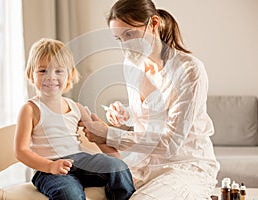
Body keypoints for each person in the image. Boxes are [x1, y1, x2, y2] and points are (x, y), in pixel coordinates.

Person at [80, 0, 220, 199]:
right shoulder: (132, 64)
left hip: (184, 166)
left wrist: (109, 134)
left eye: (130, 34)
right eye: (119, 39)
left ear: (153, 24)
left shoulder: (189, 70)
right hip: (143, 165)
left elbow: (171, 143)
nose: (126, 45)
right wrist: (126, 114)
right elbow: (151, 117)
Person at [14, 38, 135, 200]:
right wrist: (50, 166)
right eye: (43, 71)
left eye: (58, 71)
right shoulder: (30, 109)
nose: (50, 77)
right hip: (48, 169)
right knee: (69, 194)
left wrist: (120, 163)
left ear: (69, 75)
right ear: (31, 74)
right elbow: (21, 151)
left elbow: (98, 137)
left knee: (117, 167)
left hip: (80, 161)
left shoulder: (76, 107)